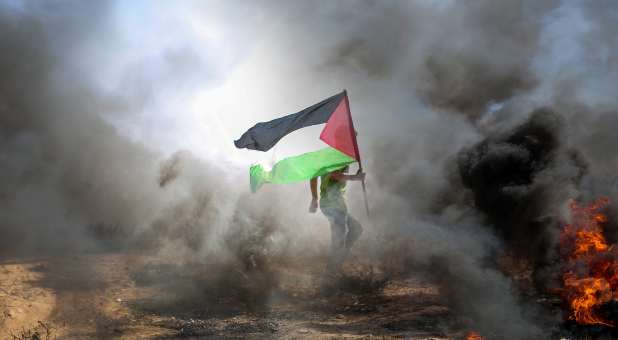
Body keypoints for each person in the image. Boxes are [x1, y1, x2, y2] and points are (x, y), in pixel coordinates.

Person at [309, 166, 365, 273]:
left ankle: (338, 259)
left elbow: (314, 176)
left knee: (356, 229)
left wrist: (314, 198)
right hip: (331, 205)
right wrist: (356, 177)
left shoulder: (338, 160)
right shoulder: (335, 158)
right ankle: (331, 271)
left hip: (338, 206)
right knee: (339, 238)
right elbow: (335, 175)